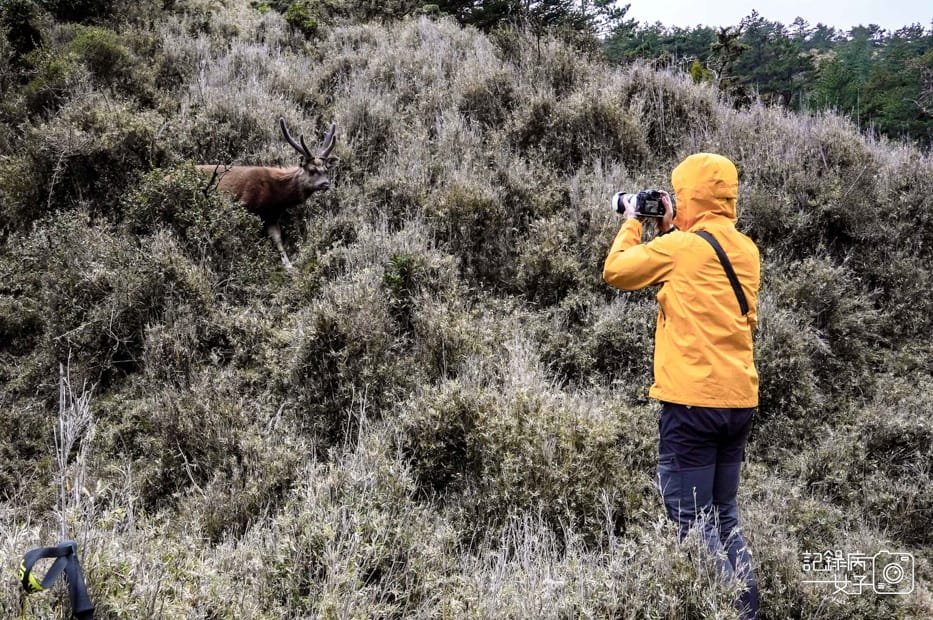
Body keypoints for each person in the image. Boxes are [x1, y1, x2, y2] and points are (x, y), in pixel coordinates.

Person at [602, 153, 760, 619]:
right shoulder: (746, 251)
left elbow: (618, 270)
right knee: (723, 515)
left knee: (691, 519)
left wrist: (633, 219)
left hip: (692, 405)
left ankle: (728, 612)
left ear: (687, 196)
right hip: (738, 402)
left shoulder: (682, 248)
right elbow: (700, 271)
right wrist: (675, 229)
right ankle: (748, 609)